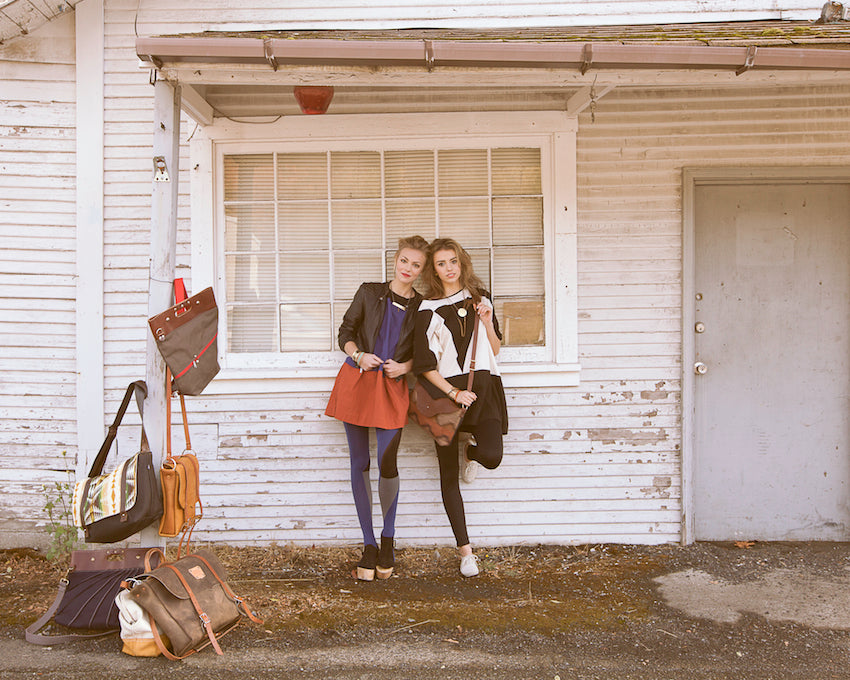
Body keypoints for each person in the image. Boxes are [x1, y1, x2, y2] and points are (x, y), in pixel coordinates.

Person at [325, 235, 429, 581]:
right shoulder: (369, 292)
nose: (408, 269)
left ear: (421, 270)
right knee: (360, 463)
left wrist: (407, 366)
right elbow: (345, 332)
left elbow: (428, 353)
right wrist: (358, 355)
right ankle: (368, 544)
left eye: (415, 265)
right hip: (357, 382)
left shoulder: (422, 307)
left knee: (388, 463)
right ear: (395, 261)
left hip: (393, 387)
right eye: (404, 261)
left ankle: (388, 539)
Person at [412, 238, 508, 578]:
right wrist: (454, 393)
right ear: (434, 270)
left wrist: (487, 319)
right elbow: (424, 365)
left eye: (453, 261)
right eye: (441, 263)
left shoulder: (481, 298)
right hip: (446, 394)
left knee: (493, 456)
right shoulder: (427, 309)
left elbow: (494, 350)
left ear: (461, 262)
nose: (449, 268)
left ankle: (473, 454)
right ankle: (466, 551)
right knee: (447, 474)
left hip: (485, 386)